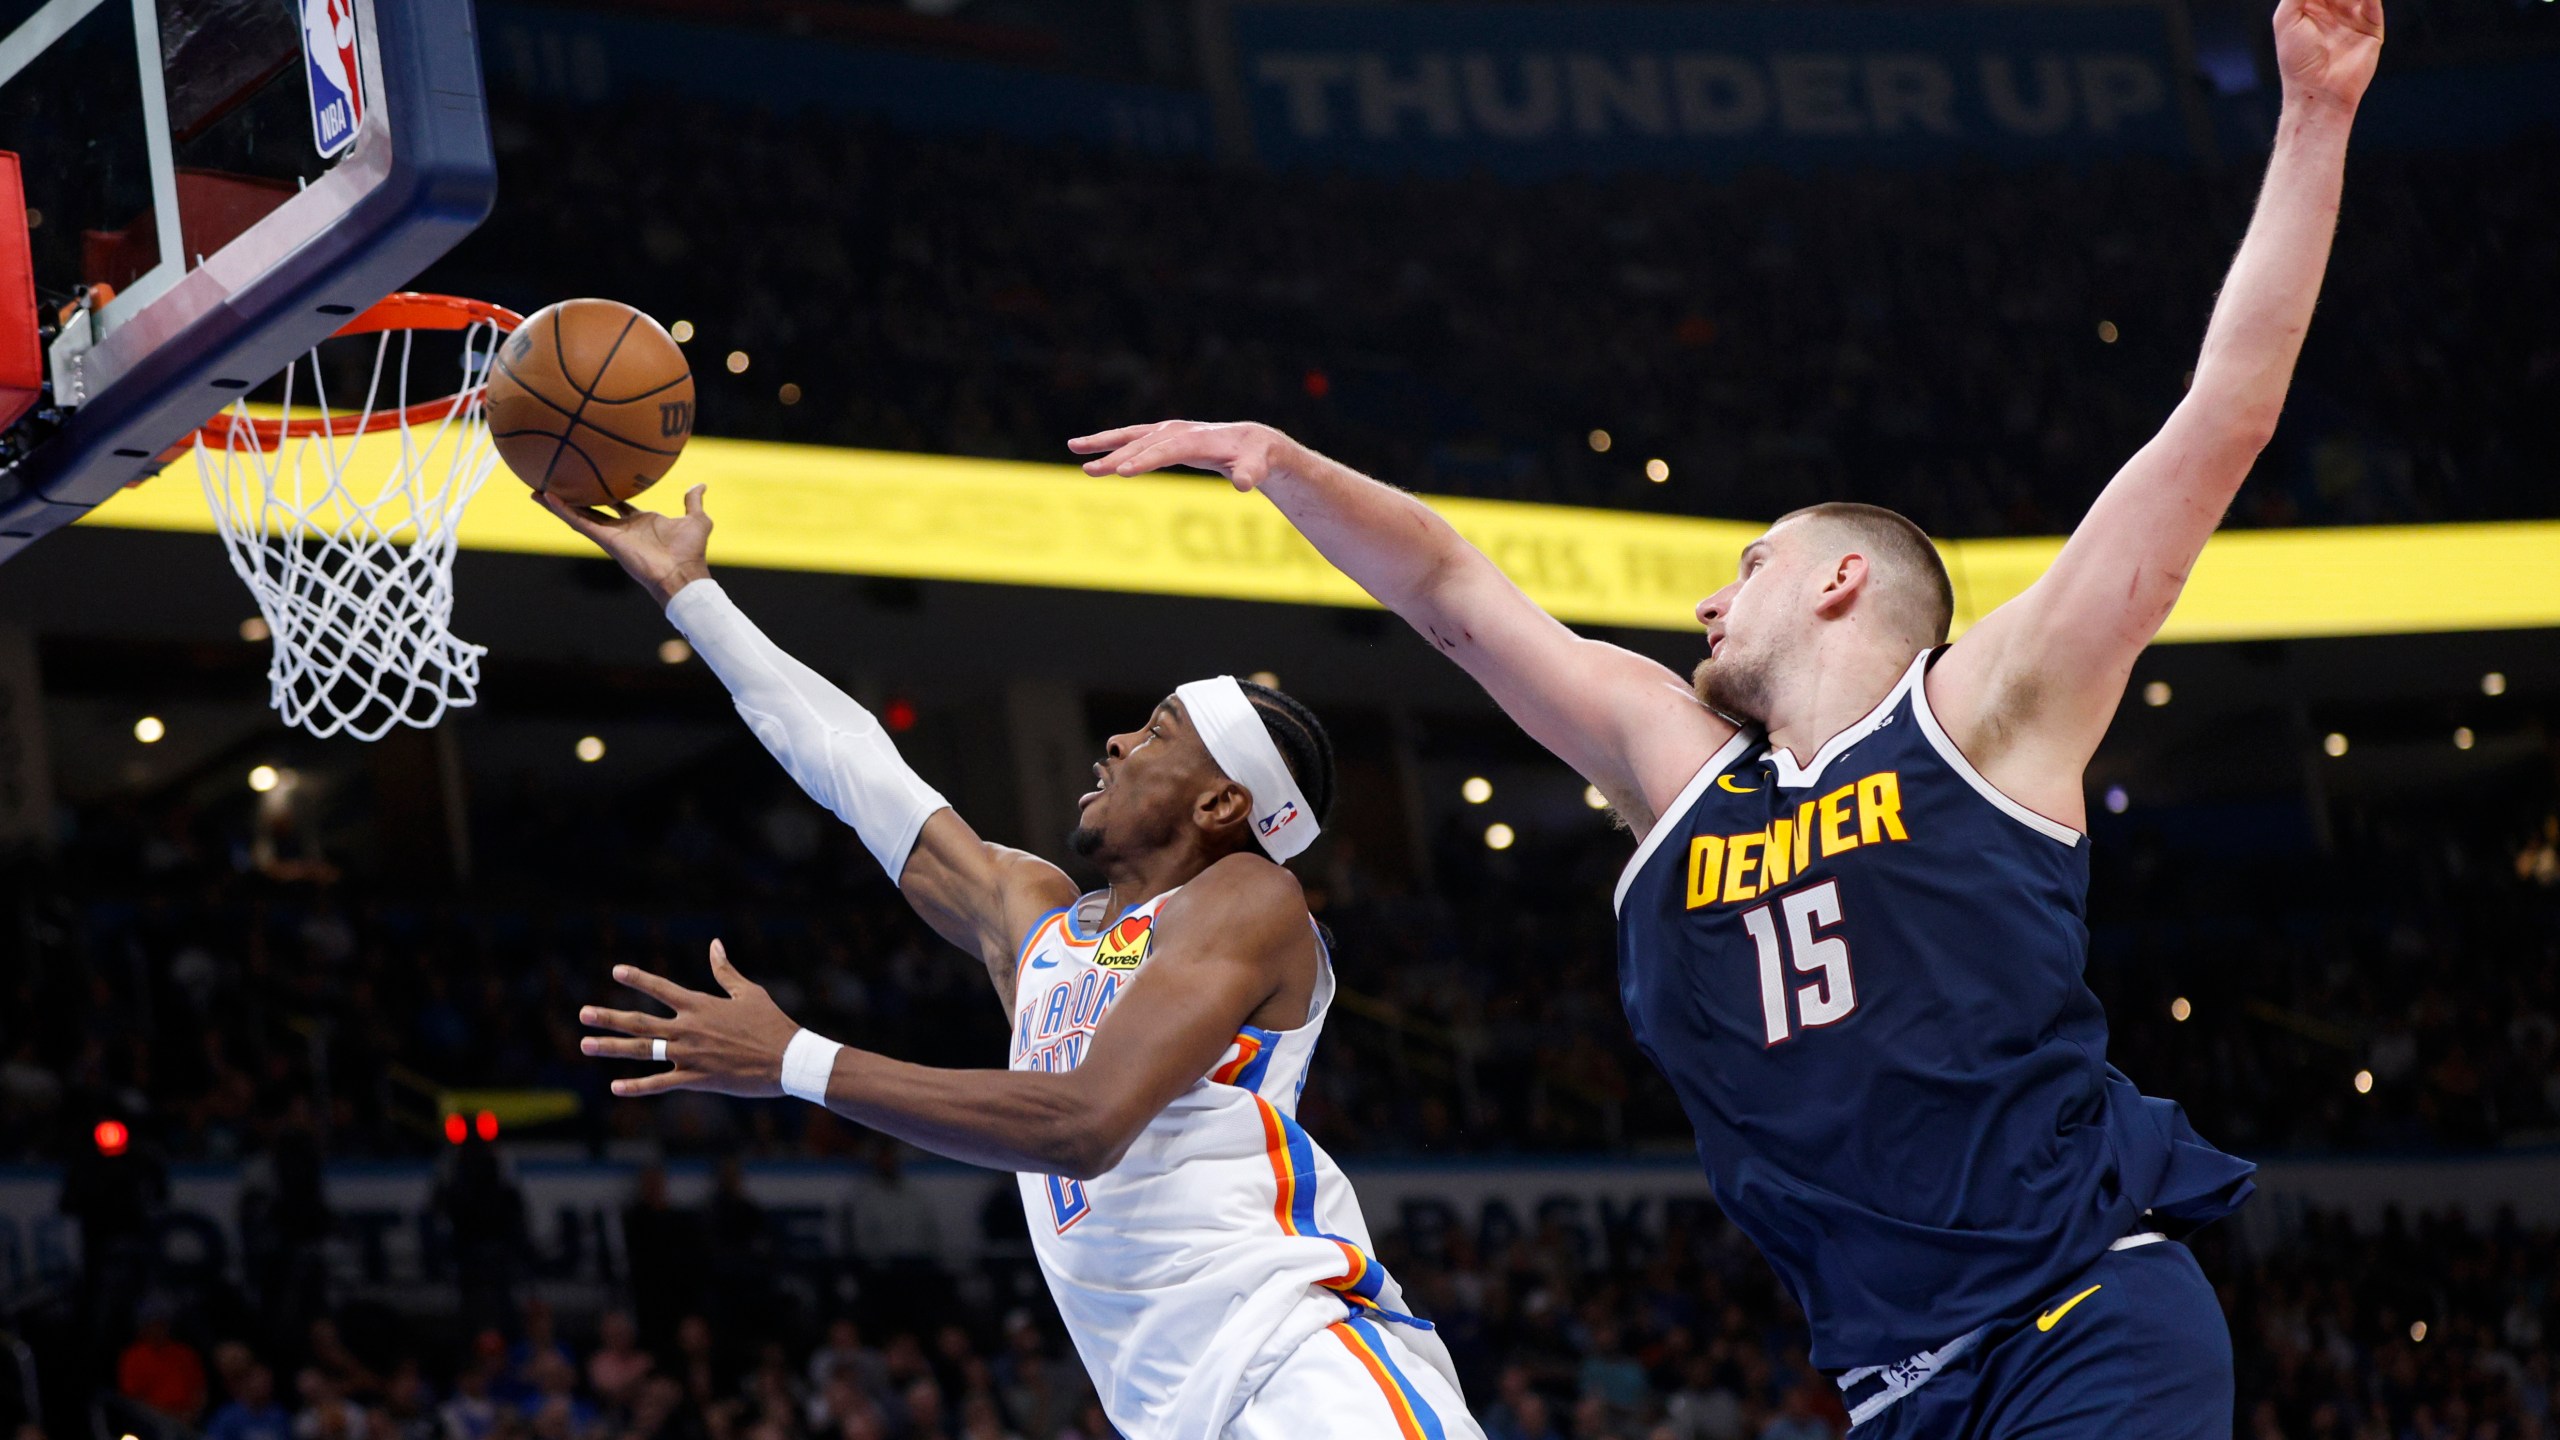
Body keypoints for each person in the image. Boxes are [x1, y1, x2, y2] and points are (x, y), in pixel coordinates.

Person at [1065, 1, 2383, 1430]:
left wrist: (2314, 113)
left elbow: (2222, 418)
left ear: (1840, 580)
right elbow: (1452, 589)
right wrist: (1283, 461)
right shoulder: (1682, 775)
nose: (1706, 602)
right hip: (1895, 1387)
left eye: (1745, 564)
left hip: (2081, 1323)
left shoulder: (1989, 715)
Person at [540, 488, 1481, 1440]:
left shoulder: (1248, 899)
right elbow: (858, 769)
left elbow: (1083, 1124)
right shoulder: (1041, 923)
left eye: (1158, 734)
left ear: (1220, 807)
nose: (1115, 740)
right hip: (1176, 1409)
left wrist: (794, 1060)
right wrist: (690, 593)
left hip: (1303, 1372)